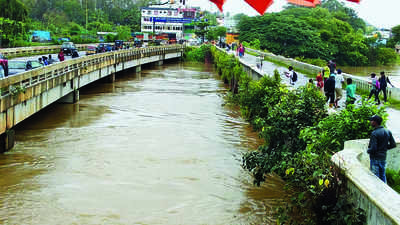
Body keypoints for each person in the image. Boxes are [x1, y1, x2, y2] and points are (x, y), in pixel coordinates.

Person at [367, 115, 396, 183]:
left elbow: (373, 148)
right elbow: (393, 145)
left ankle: (375, 192)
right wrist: (383, 148)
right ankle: (385, 192)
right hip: (383, 158)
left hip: (375, 158)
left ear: (375, 122)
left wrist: (368, 151)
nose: (370, 122)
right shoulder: (387, 131)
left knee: (375, 178)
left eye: (371, 121)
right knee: (383, 176)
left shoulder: (374, 133)